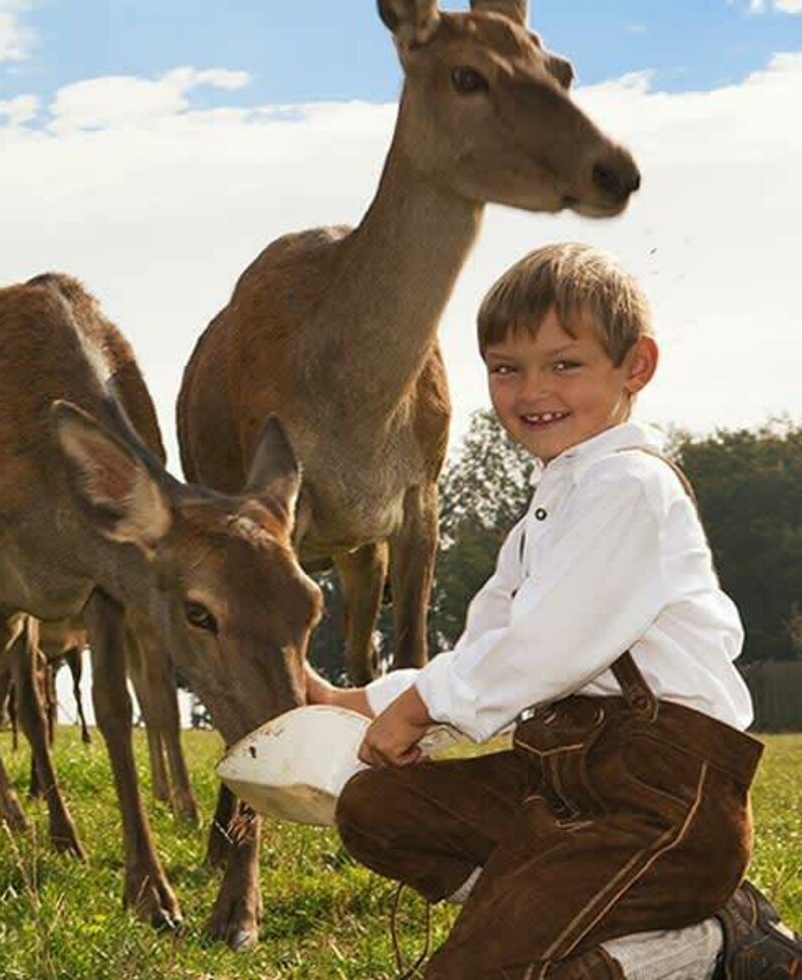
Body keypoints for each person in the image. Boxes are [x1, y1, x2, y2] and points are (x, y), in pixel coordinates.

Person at [307, 242, 802, 979]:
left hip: (662, 808)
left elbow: (546, 649)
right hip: (564, 784)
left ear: (635, 367)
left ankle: (710, 943)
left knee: (488, 970)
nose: (532, 388)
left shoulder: (631, 488)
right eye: (506, 368)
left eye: (564, 364)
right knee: (377, 808)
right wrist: (357, 701)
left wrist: (418, 710)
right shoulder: (550, 506)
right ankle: (552, 916)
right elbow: (488, 646)